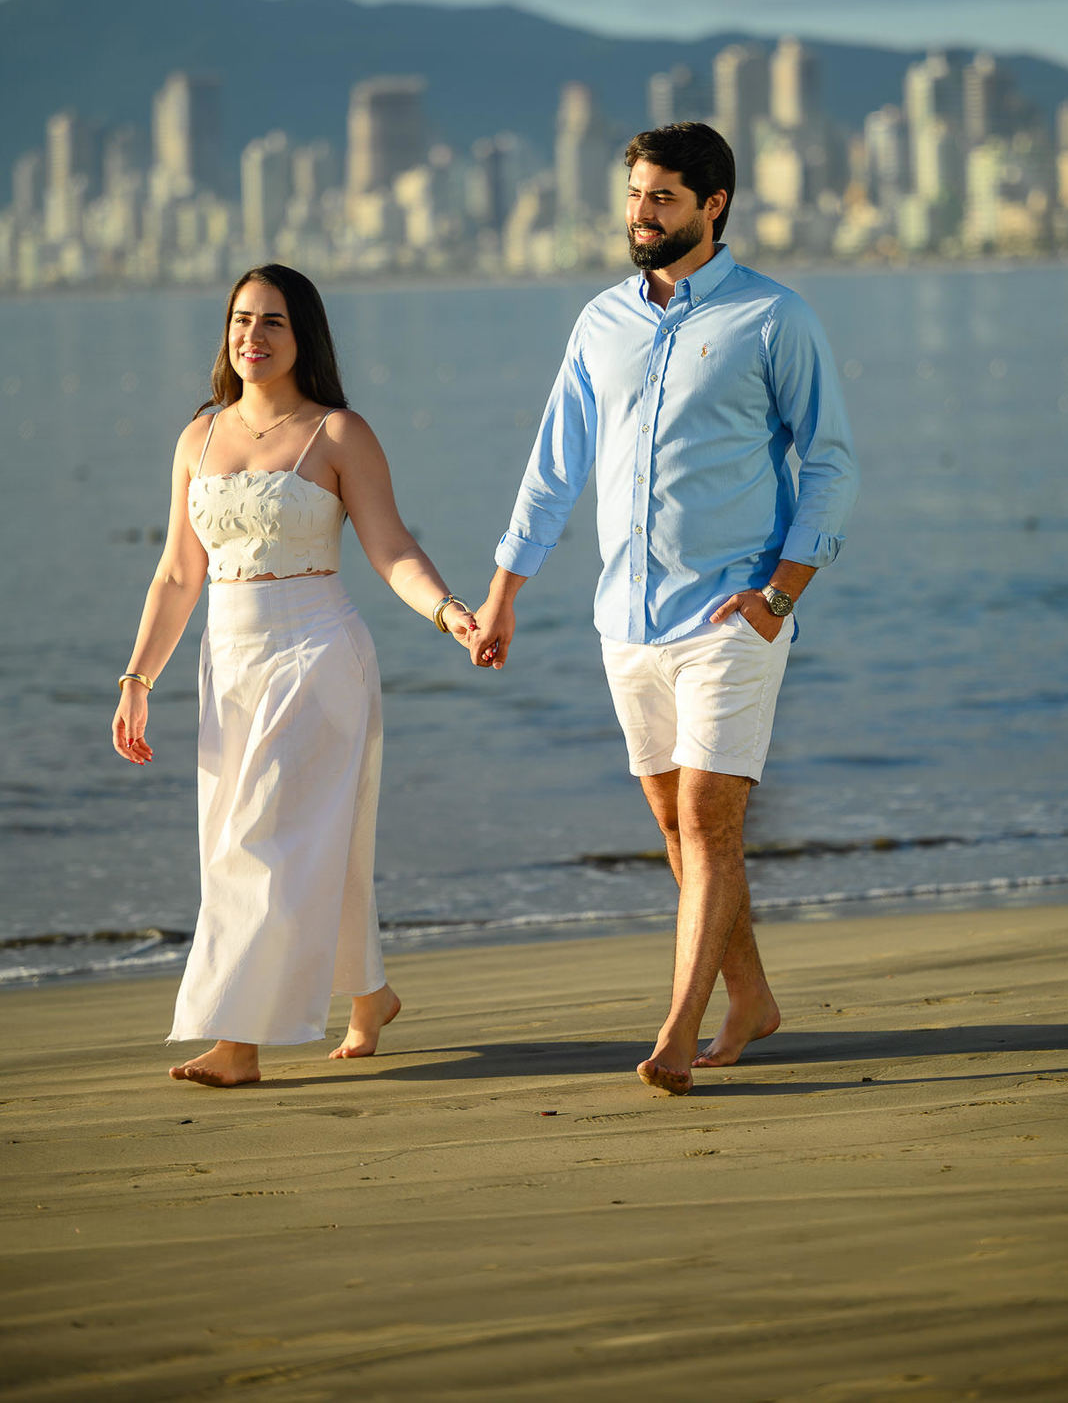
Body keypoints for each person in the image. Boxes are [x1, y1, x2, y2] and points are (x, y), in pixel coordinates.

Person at [468, 123, 858, 1096]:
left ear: (713, 205)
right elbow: (554, 464)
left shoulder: (775, 318)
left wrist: (781, 592)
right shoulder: (600, 321)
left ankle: (678, 1029)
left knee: (709, 818)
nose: (641, 215)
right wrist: (503, 592)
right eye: (635, 196)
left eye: (662, 199)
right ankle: (753, 997)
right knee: (676, 827)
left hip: (734, 615)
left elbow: (833, 461)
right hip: (624, 621)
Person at [112, 264, 477, 1087]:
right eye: (241, 320)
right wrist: (138, 679)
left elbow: (390, 547)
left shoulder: (339, 433)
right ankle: (371, 994)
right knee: (302, 843)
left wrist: (449, 612)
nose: (253, 336)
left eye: (272, 321)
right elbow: (176, 575)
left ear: (303, 334)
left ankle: (237, 1042)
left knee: (262, 839)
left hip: (317, 652)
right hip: (227, 661)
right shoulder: (198, 437)